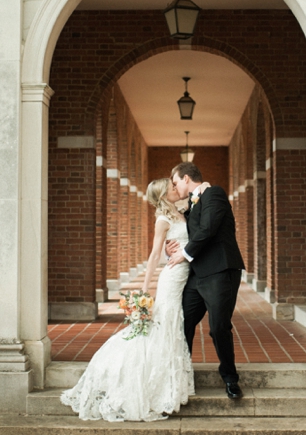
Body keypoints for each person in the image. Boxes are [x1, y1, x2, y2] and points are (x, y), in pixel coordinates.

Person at [60, 178, 195, 421]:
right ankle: (158, 386)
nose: (177, 189)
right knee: (166, 325)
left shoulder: (180, 210)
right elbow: (154, 255)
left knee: (169, 326)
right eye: (172, 188)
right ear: (164, 195)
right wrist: (143, 292)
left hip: (183, 272)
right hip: (172, 277)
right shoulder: (163, 219)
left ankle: (168, 384)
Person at [167, 162, 246, 400]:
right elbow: (186, 232)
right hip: (197, 275)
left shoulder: (215, 194)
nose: (174, 186)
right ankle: (182, 373)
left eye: (176, 182)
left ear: (187, 178)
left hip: (221, 271)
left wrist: (185, 254)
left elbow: (208, 228)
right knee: (183, 322)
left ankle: (230, 379)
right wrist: (170, 249)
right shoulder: (193, 202)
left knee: (219, 326)